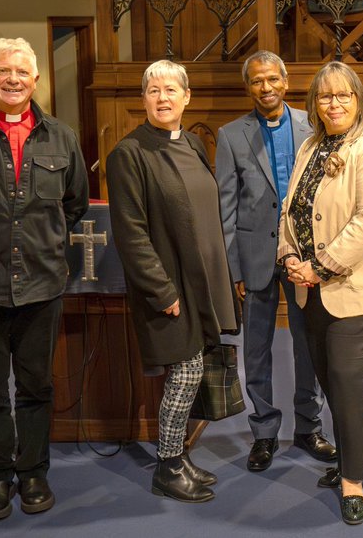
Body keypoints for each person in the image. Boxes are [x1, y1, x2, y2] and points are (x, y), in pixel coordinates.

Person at [0, 38, 88, 521]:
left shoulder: (61, 137)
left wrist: (41, 246)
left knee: (34, 387)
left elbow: (74, 206)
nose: (12, 80)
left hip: (41, 286)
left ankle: (32, 472)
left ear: (35, 81)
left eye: (22, 73)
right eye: (3, 71)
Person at [107, 60, 239, 503]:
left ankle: (179, 458)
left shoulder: (196, 144)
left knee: (194, 368)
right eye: (152, 91)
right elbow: (130, 233)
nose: (162, 98)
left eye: (170, 89)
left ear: (187, 97)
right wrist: (161, 290)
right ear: (143, 100)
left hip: (201, 281)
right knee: (184, 374)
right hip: (170, 287)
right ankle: (166, 466)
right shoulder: (129, 154)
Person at [278, 61, 363, 525]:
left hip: (360, 289)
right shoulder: (311, 145)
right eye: (325, 97)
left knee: (348, 384)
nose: (334, 104)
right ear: (314, 104)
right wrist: (289, 255)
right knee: (334, 381)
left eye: (343, 96)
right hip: (312, 287)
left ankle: (353, 479)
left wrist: (318, 266)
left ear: (358, 100)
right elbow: (293, 206)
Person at [216, 50, 336, 473]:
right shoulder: (231, 135)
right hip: (256, 258)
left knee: (309, 345)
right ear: (248, 87)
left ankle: (309, 426)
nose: (265, 88)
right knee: (258, 350)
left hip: (305, 257)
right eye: (256, 81)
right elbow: (225, 209)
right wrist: (234, 270)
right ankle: (264, 432)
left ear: (286, 82)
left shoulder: (313, 126)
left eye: (272, 79)